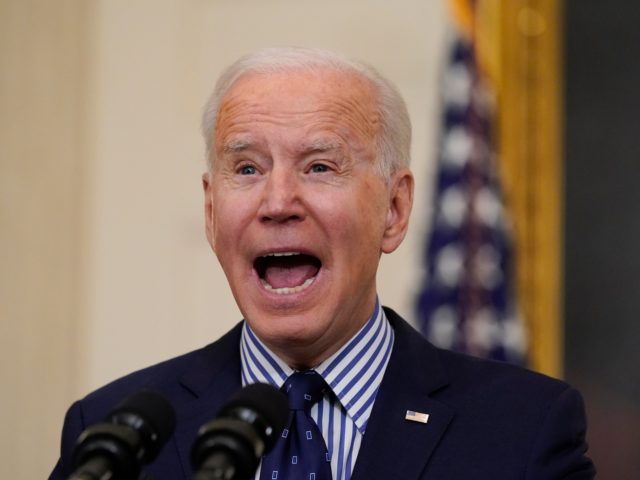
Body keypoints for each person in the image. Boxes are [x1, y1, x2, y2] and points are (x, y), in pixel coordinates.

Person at [50, 47, 595, 480]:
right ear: (212, 212)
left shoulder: (524, 430)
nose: (278, 202)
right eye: (246, 168)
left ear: (394, 209)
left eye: (318, 166)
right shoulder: (110, 438)